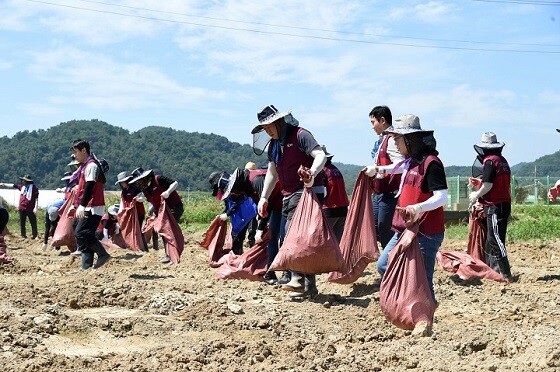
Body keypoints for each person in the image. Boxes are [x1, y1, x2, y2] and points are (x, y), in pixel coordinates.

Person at [251, 104, 327, 298]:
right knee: (298, 237)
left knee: (293, 234)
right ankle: (309, 286)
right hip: (288, 193)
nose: (267, 131)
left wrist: (312, 172)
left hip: (307, 191)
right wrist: (264, 197)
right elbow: (272, 172)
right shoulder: (275, 145)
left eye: (269, 126)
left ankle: (297, 279)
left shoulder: (301, 135)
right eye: (264, 128)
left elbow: (320, 155)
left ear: (279, 122)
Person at [376, 115, 448, 305]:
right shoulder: (411, 162)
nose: (395, 143)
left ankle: (426, 316)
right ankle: (408, 302)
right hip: (404, 229)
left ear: (410, 139)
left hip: (426, 232)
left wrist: (419, 207)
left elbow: (442, 197)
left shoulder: (431, 163)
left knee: (423, 278)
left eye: (397, 139)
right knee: (384, 264)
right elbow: (396, 168)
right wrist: (377, 170)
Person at [468, 132, 514, 282]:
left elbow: (488, 185)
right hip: (504, 204)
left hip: (495, 205)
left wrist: (476, 194)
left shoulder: (489, 162)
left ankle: (505, 272)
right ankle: (493, 270)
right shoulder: (503, 161)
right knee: (492, 238)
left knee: (495, 239)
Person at [363, 106, 405, 250]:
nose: (372, 126)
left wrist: (379, 170)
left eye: (373, 122)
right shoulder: (383, 140)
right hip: (380, 193)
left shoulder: (392, 140)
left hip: (390, 194)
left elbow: (401, 164)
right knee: (374, 226)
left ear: (382, 120)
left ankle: (391, 262)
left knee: (385, 229)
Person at [67, 139, 111, 270]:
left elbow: (89, 187)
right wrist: (76, 205)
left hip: (92, 206)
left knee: (82, 233)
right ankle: (86, 267)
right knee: (83, 235)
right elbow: (82, 188)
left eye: (76, 152)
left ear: (84, 150)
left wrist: (81, 205)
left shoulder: (91, 166)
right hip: (88, 205)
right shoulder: (85, 166)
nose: (74, 155)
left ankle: (103, 254)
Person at [129, 167, 183, 264]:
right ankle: (168, 254)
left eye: (139, 180)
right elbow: (152, 202)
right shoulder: (146, 190)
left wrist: (168, 192)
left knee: (168, 230)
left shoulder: (158, 179)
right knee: (163, 231)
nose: (139, 183)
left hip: (174, 207)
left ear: (145, 178)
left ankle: (174, 255)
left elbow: (175, 183)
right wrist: (152, 210)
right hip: (161, 211)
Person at [209, 169, 259, 256]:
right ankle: (238, 254)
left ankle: (239, 256)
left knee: (241, 235)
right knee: (237, 235)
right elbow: (228, 205)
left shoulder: (233, 187)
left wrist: (227, 214)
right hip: (241, 213)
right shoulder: (225, 188)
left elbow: (236, 203)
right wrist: (224, 213)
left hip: (245, 212)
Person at [321, 146, 349, 243]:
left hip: (329, 209)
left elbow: (323, 193)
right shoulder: (335, 170)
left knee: (323, 242)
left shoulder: (322, 171)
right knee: (336, 244)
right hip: (342, 209)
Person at [43, 172, 77, 250]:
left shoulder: (74, 188)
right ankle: (56, 245)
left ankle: (71, 246)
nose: (67, 181)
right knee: (54, 227)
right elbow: (47, 228)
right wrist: (45, 243)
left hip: (68, 209)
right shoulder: (49, 209)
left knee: (68, 228)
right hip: (62, 209)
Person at [0, 175, 40, 239]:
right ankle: (23, 235)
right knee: (22, 222)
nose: (22, 181)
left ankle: (35, 235)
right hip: (22, 208)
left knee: (33, 222)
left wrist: (35, 208)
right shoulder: (22, 187)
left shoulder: (34, 188)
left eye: (24, 180)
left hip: (30, 208)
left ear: (27, 181)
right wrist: (4, 184)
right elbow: (14, 185)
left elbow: (36, 198)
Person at [116, 171, 148, 251]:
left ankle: (143, 248)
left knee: (138, 230)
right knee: (130, 231)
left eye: (123, 182)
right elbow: (122, 204)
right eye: (121, 183)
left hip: (139, 213)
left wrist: (137, 199)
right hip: (128, 215)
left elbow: (142, 198)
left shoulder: (136, 189)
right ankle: (133, 246)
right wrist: (119, 215)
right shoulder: (123, 192)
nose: (122, 184)